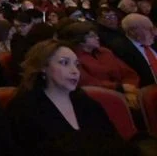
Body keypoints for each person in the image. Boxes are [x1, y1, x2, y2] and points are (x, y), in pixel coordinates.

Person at [7, 39, 137, 156]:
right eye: (64, 63)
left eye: (76, 64)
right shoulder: (23, 109)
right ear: (43, 67)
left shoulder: (86, 102)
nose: (75, 71)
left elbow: (115, 144)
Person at [61, 21, 140, 107]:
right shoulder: (73, 58)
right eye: (92, 36)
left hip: (128, 94)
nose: (97, 37)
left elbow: (129, 73)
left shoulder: (105, 52)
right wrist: (121, 88)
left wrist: (130, 91)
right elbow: (87, 83)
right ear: (80, 40)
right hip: (98, 101)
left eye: (96, 35)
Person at [109, 13, 157, 87]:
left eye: (152, 28)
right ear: (132, 31)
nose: (154, 33)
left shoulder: (152, 40)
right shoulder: (121, 50)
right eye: (148, 29)